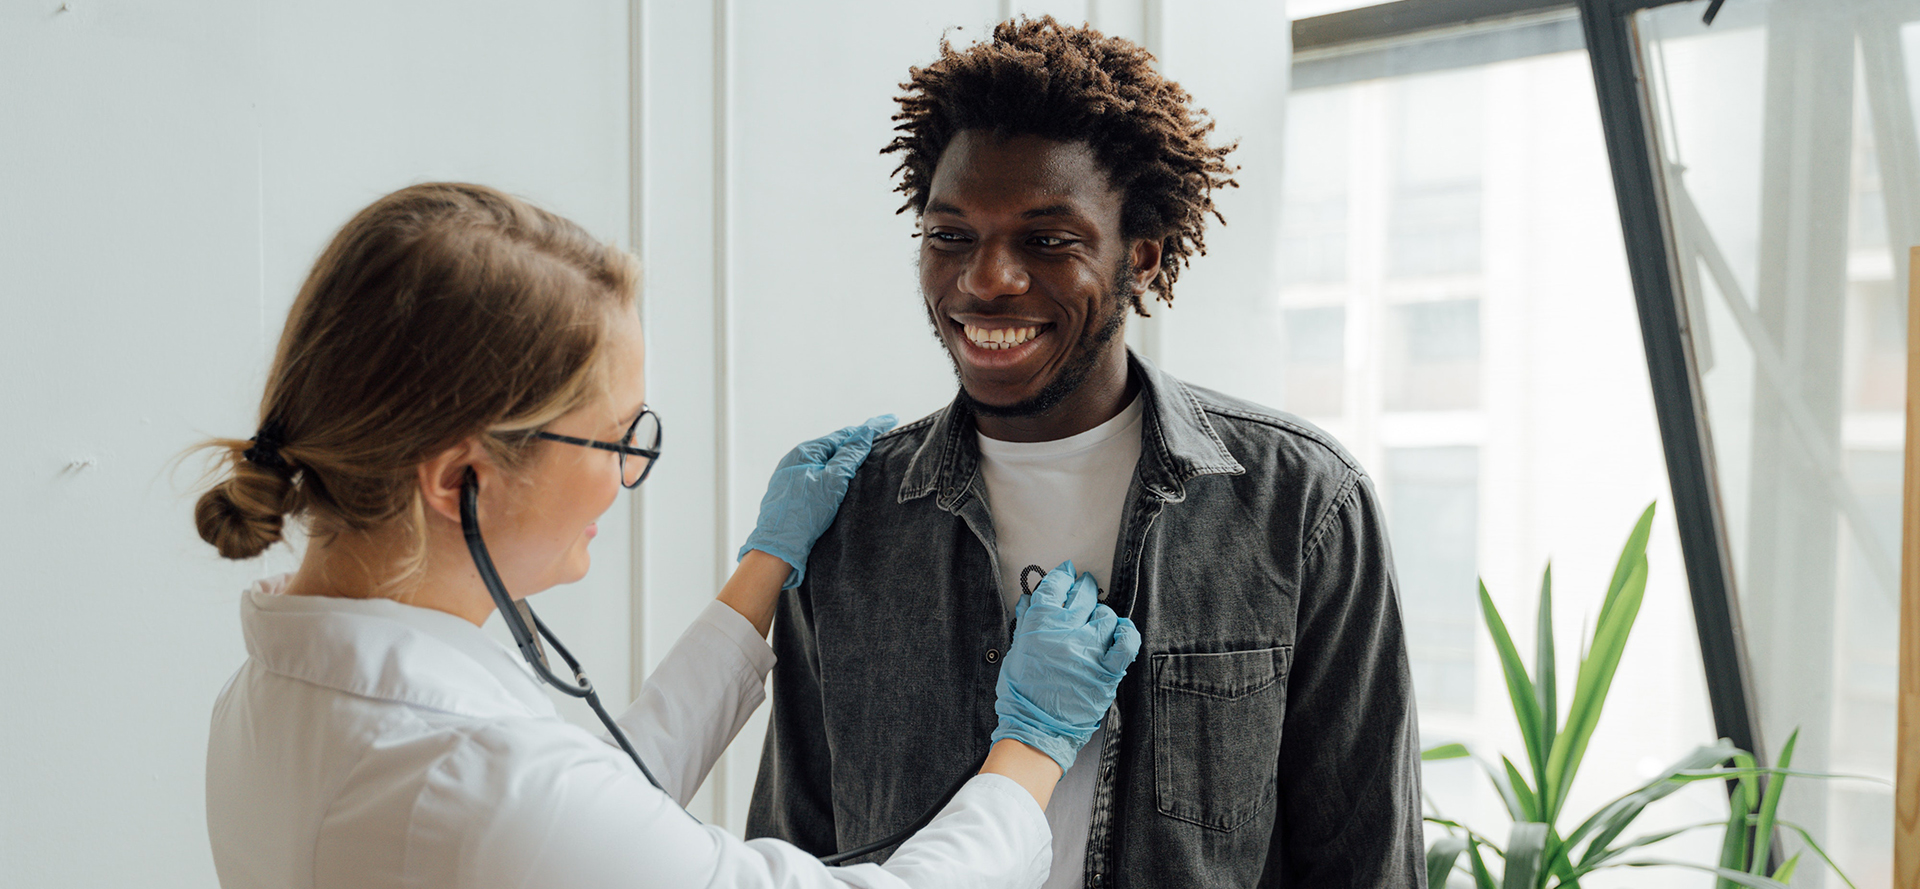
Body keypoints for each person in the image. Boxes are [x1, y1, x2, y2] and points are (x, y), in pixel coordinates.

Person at [195, 181, 1139, 889]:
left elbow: (599, 811)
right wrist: (1033, 748)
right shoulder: (473, 774)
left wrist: (762, 575)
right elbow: (551, 815)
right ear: (461, 478)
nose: (627, 472)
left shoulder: (275, 694)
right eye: (611, 437)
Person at [747, 18, 1425, 888]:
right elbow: (792, 847)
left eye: (1047, 240)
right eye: (950, 235)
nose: (986, 278)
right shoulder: (852, 516)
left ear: (1140, 258)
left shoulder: (1301, 505)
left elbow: (1366, 861)